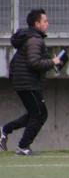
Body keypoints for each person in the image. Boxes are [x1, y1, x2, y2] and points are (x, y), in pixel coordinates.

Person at [0, 9, 62, 156]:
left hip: (25, 81)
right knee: (40, 114)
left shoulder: (31, 38)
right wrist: (52, 61)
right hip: (28, 82)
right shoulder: (35, 40)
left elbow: (34, 60)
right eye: (45, 21)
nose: (48, 24)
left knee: (36, 113)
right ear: (37, 23)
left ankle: (5, 130)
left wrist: (50, 61)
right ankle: (23, 146)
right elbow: (34, 62)